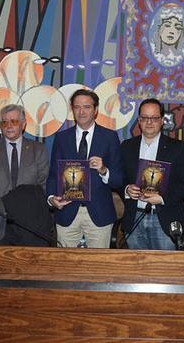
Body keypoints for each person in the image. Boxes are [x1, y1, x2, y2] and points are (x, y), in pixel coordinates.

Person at [46, 89, 124, 248]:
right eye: (77, 107)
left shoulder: (110, 137)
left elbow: (118, 179)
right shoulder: (62, 138)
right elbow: (54, 174)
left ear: (95, 110)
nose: (81, 111)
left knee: (98, 267)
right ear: (72, 110)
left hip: (99, 214)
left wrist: (103, 170)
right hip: (66, 212)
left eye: (87, 107)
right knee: (66, 266)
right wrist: (51, 198)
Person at [120, 98, 184, 250]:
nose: (149, 122)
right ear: (139, 120)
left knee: (165, 271)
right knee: (136, 269)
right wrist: (126, 189)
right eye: (145, 118)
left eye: (154, 118)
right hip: (134, 218)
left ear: (162, 120)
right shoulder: (127, 147)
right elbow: (119, 178)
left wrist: (162, 198)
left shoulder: (177, 148)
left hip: (165, 220)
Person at [0, 104, 52, 246]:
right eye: (5, 122)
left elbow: (43, 185)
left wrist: (23, 211)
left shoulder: (38, 150)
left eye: (14, 121)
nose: (9, 126)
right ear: (0, 126)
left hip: (31, 224)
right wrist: (6, 210)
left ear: (23, 124)